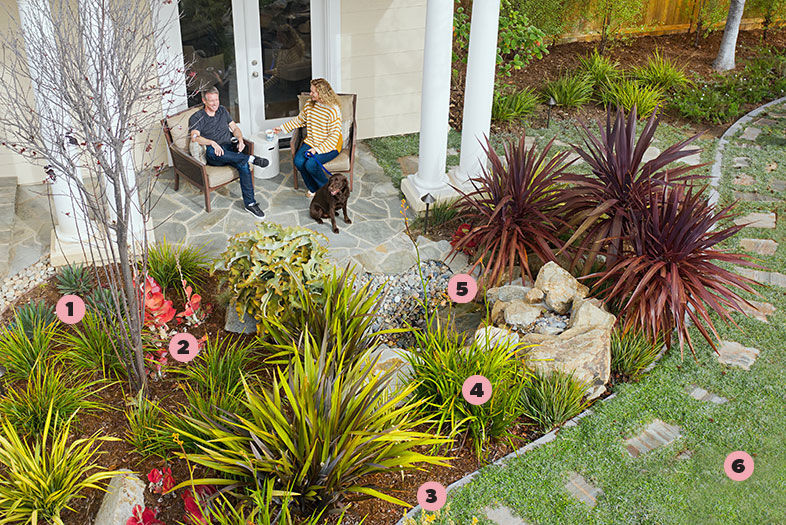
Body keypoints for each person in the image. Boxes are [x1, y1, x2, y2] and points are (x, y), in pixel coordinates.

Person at [188, 87, 269, 218]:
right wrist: (211, 143)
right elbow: (195, 137)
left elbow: (235, 128)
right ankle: (250, 158)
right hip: (213, 152)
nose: (215, 103)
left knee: (243, 165)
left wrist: (240, 139)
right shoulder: (197, 117)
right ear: (204, 100)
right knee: (214, 152)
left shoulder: (222, 110)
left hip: (229, 147)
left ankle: (250, 204)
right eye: (211, 101)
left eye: (217, 99)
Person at [274, 78, 342, 198]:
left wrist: (317, 150)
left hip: (330, 145)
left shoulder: (333, 110)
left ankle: (327, 191)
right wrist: (282, 128)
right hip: (312, 141)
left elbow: (334, 136)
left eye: (313, 92)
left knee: (310, 164)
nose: (310, 94)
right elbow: (300, 120)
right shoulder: (310, 104)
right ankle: (313, 188)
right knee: (299, 162)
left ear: (321, 93)